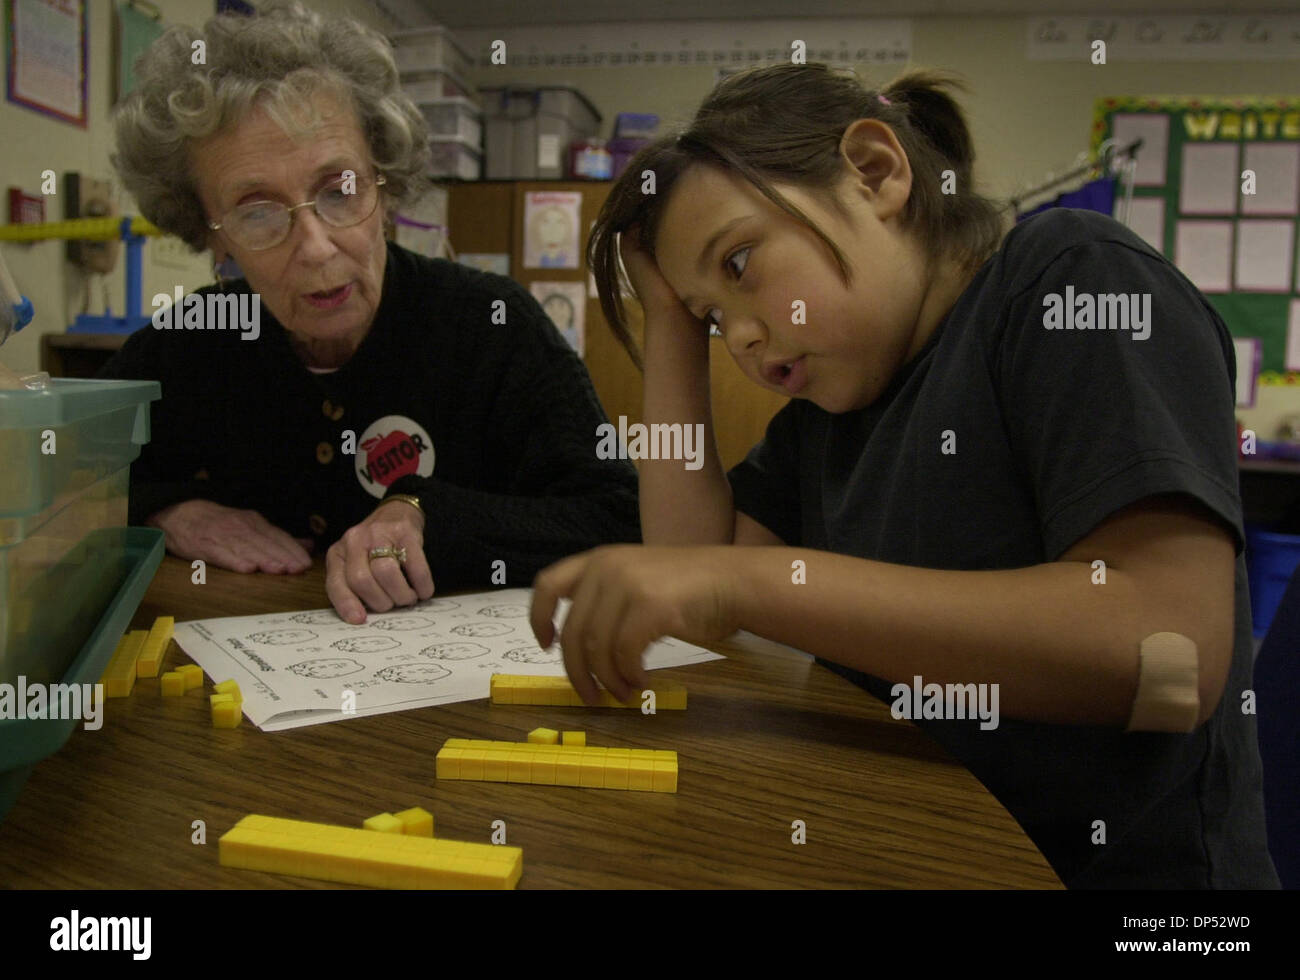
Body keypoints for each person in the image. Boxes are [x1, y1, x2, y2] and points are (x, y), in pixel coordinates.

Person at [529, 63, 1279, 889]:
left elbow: (1169, 656)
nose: (739, 337)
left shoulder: (1074, 279)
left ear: (875, 172)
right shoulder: (834, 405)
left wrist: (747, 584)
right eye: (715, 318)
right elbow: (688, 565)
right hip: (923, 851)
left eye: (739, 263)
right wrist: (671, 322)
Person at [100, 1, 639, 623]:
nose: (316, 246)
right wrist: (168, 508)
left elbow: (616, 516)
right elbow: (62, 476)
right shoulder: (192, 338)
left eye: (341, 190)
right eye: (257, 211)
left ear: (385, 187)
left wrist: (425, 512)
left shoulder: (492, 323)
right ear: (210, 234)